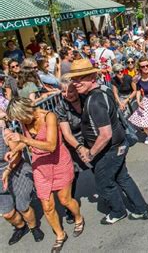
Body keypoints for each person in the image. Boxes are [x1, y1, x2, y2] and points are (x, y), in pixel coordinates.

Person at [65, 58, 148, 224]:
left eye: (80, 78)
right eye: (73, 79)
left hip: (109, 150)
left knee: (104, 183)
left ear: (91, 77)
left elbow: (105, 134)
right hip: (117, 145)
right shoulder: (103, 90)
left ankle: (118, 212)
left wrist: (90, 153)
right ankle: (141, 208)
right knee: (122, 177)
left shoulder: (94, 100)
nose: (75, 83)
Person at [5, 97, 85, 251]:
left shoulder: (49, 116)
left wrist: (23, 139)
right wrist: (15, 149)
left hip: (58, 163)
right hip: (40, 167)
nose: (20, 121)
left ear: (27, 111)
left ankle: (78, 218)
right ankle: (60, 235)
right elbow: (27, 140)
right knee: (47, 207)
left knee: (65, 200)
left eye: (20, 117)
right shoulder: (24, 122)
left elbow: (51, 146)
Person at [0, 108, 45, 246]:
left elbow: (17, 155)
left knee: (23, 206)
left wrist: (8, 169)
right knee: (7, 213)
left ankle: (33, 227)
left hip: (16, 170)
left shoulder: (4, 133)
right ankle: (21, 227)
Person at [55, 79, 90, 224]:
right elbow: (66, 134)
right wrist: (80, 148)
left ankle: (108, 196)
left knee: (99, 169)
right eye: (63, 91)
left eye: (70, 90)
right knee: (72, 176)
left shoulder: (86, 99)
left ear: (76, 89)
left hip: (90, 138)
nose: (67, 94)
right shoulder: (60, 107)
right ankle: (70, 208)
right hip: (73, 143)